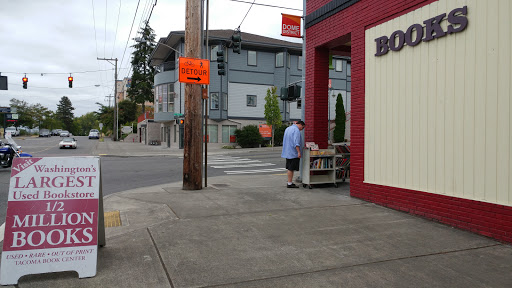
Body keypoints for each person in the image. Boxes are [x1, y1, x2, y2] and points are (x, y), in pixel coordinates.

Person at [281, 120, 305, 188]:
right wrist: (299, 152)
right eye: (302, 127)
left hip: (287, 152)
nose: (302, 129)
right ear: (300, 124)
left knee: (289, 168)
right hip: (293, 152)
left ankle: (289, 182)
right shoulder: (296, 130)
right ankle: (289, 183)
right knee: (291, 168)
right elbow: (296, 143)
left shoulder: (288, 128)